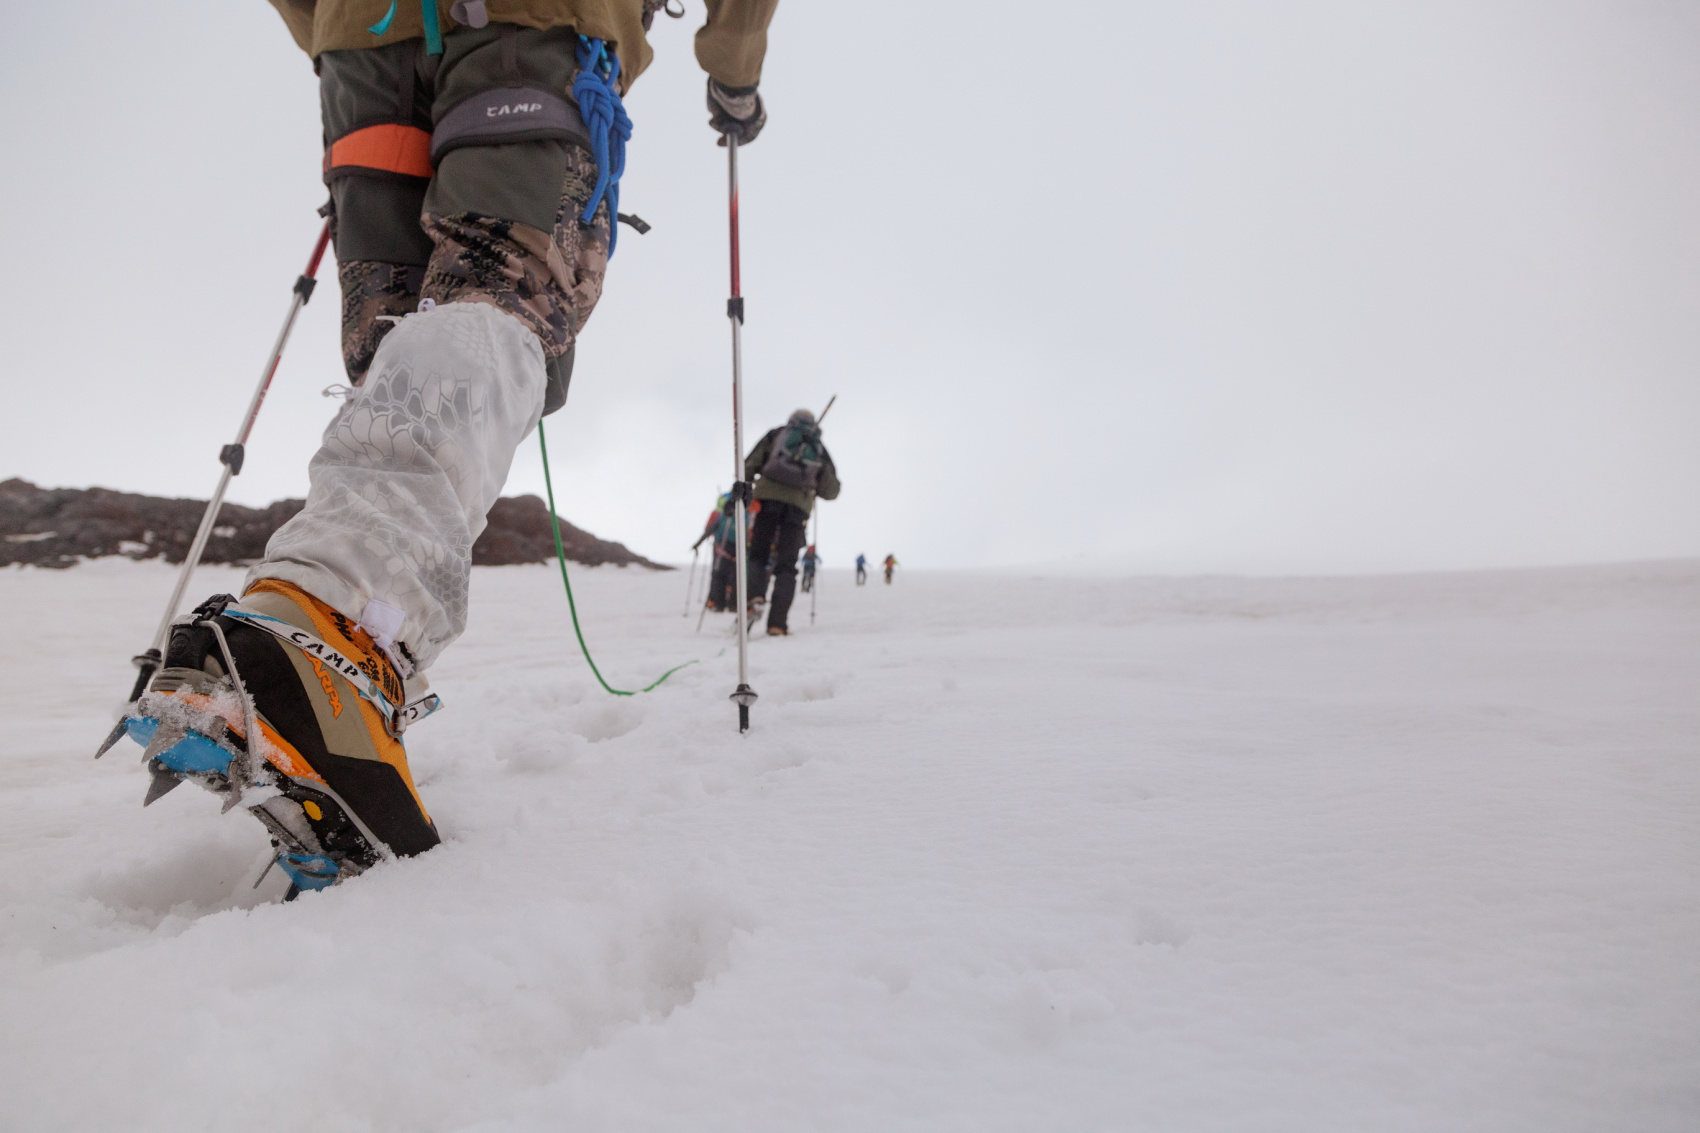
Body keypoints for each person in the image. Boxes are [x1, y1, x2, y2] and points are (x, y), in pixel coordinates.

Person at [123, 0, 780, 896]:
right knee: (494, 297)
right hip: (533, 28)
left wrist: (330, 31)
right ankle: (327, 635)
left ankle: (339, 654)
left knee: (401, 353)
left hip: (362, 52)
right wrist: (733, 67)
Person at [744, 409, 840, 635]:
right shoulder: (818, 447)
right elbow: (831, 490)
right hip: (798, 509)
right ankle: (777, 624)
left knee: (759, 554)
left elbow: (750, 464)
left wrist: (749, 488)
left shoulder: (777, 435)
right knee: (787, 566)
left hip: (766, 502)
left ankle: (754, 597)